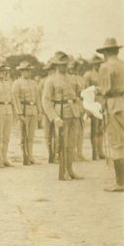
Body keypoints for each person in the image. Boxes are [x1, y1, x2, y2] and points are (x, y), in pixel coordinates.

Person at [42, 52, 83, 180]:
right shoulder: (51, 80)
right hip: (61, 114)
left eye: (65, 64)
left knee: (72, 143)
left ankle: (70, 169)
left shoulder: (73, 78)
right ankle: (63, 170)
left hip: (74, 113)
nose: (64, 67)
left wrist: (81, 108)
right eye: (61, 64)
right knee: (62, 144)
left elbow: (79, 95)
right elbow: (46, 101)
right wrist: (54, 117)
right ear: (56, 65)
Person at [97, 37, 124, 192]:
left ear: (106, 52)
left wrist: (98, 91)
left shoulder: (106, 67)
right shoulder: (123, 65)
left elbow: (106, 89)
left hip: (114, 105)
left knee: (116, 144)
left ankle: (120, 182)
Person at [12, 61, 41, 164]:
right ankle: (25, 157)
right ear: (21, 71)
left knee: (31, 136)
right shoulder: (17, 83)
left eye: (29, 70)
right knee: (24, 136)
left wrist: (39, 111)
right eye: (26, 70)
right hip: (24, 111)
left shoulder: (34, 83)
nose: (28, 72)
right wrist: (19, 113)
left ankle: (31, 156)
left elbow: (37, 98)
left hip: (33, 110)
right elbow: (15, 99)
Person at [84, 55, 106, 160]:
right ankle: (94, 152)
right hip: (94, 103)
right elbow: (87, 90)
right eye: (96, 63)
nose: (98, 65)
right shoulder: (88, 75)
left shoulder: (103, 74)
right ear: (92, 64)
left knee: (101, 128)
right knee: (94, 129)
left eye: (99, 63)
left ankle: (101, 151)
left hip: (102, 102)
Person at [67, 58, 87, 161]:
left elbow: (83, 91)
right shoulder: (68, 78)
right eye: (72, 68)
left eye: (76, 68)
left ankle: (79, 152)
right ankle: (73, 153)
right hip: (72, 106)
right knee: (73, 132)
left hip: (80, 105)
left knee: (81, 130)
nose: (74, 70)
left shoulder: (81, 78)